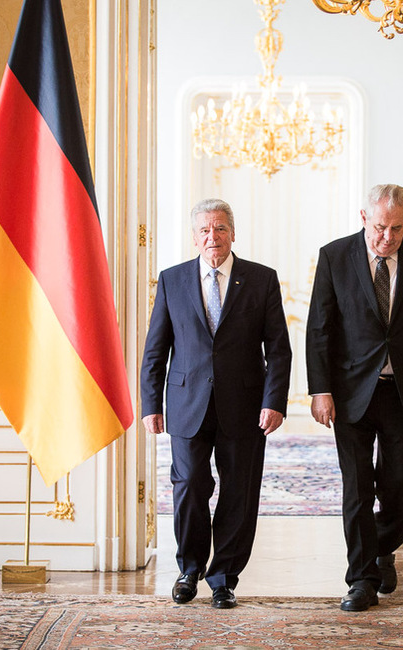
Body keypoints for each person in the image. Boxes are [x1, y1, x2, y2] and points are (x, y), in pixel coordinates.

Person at [306, 184, 403, 612]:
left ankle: (383, 546)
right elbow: (319, 328)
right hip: (350, 392)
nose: (387, 238)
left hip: (402, 390)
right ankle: (361, 580)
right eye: (379, 228)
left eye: (396, 228)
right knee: (356, 488)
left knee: (397, 485)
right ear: (363, 217)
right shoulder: (335, 256)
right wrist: (320, 390)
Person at [141, 198, 292, 609]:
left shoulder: (261, 280)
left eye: (221, 228)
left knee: (239, 492)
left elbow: (279, 348)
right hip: (187, 403)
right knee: (189, 485)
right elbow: (156, 349)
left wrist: (274, 400)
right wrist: (150, 404)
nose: (213, 237)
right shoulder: (172, 280)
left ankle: (224, 577)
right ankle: (190, 569)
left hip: (245, 405)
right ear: (195, 237)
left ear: (233, 233)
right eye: (205, 230)